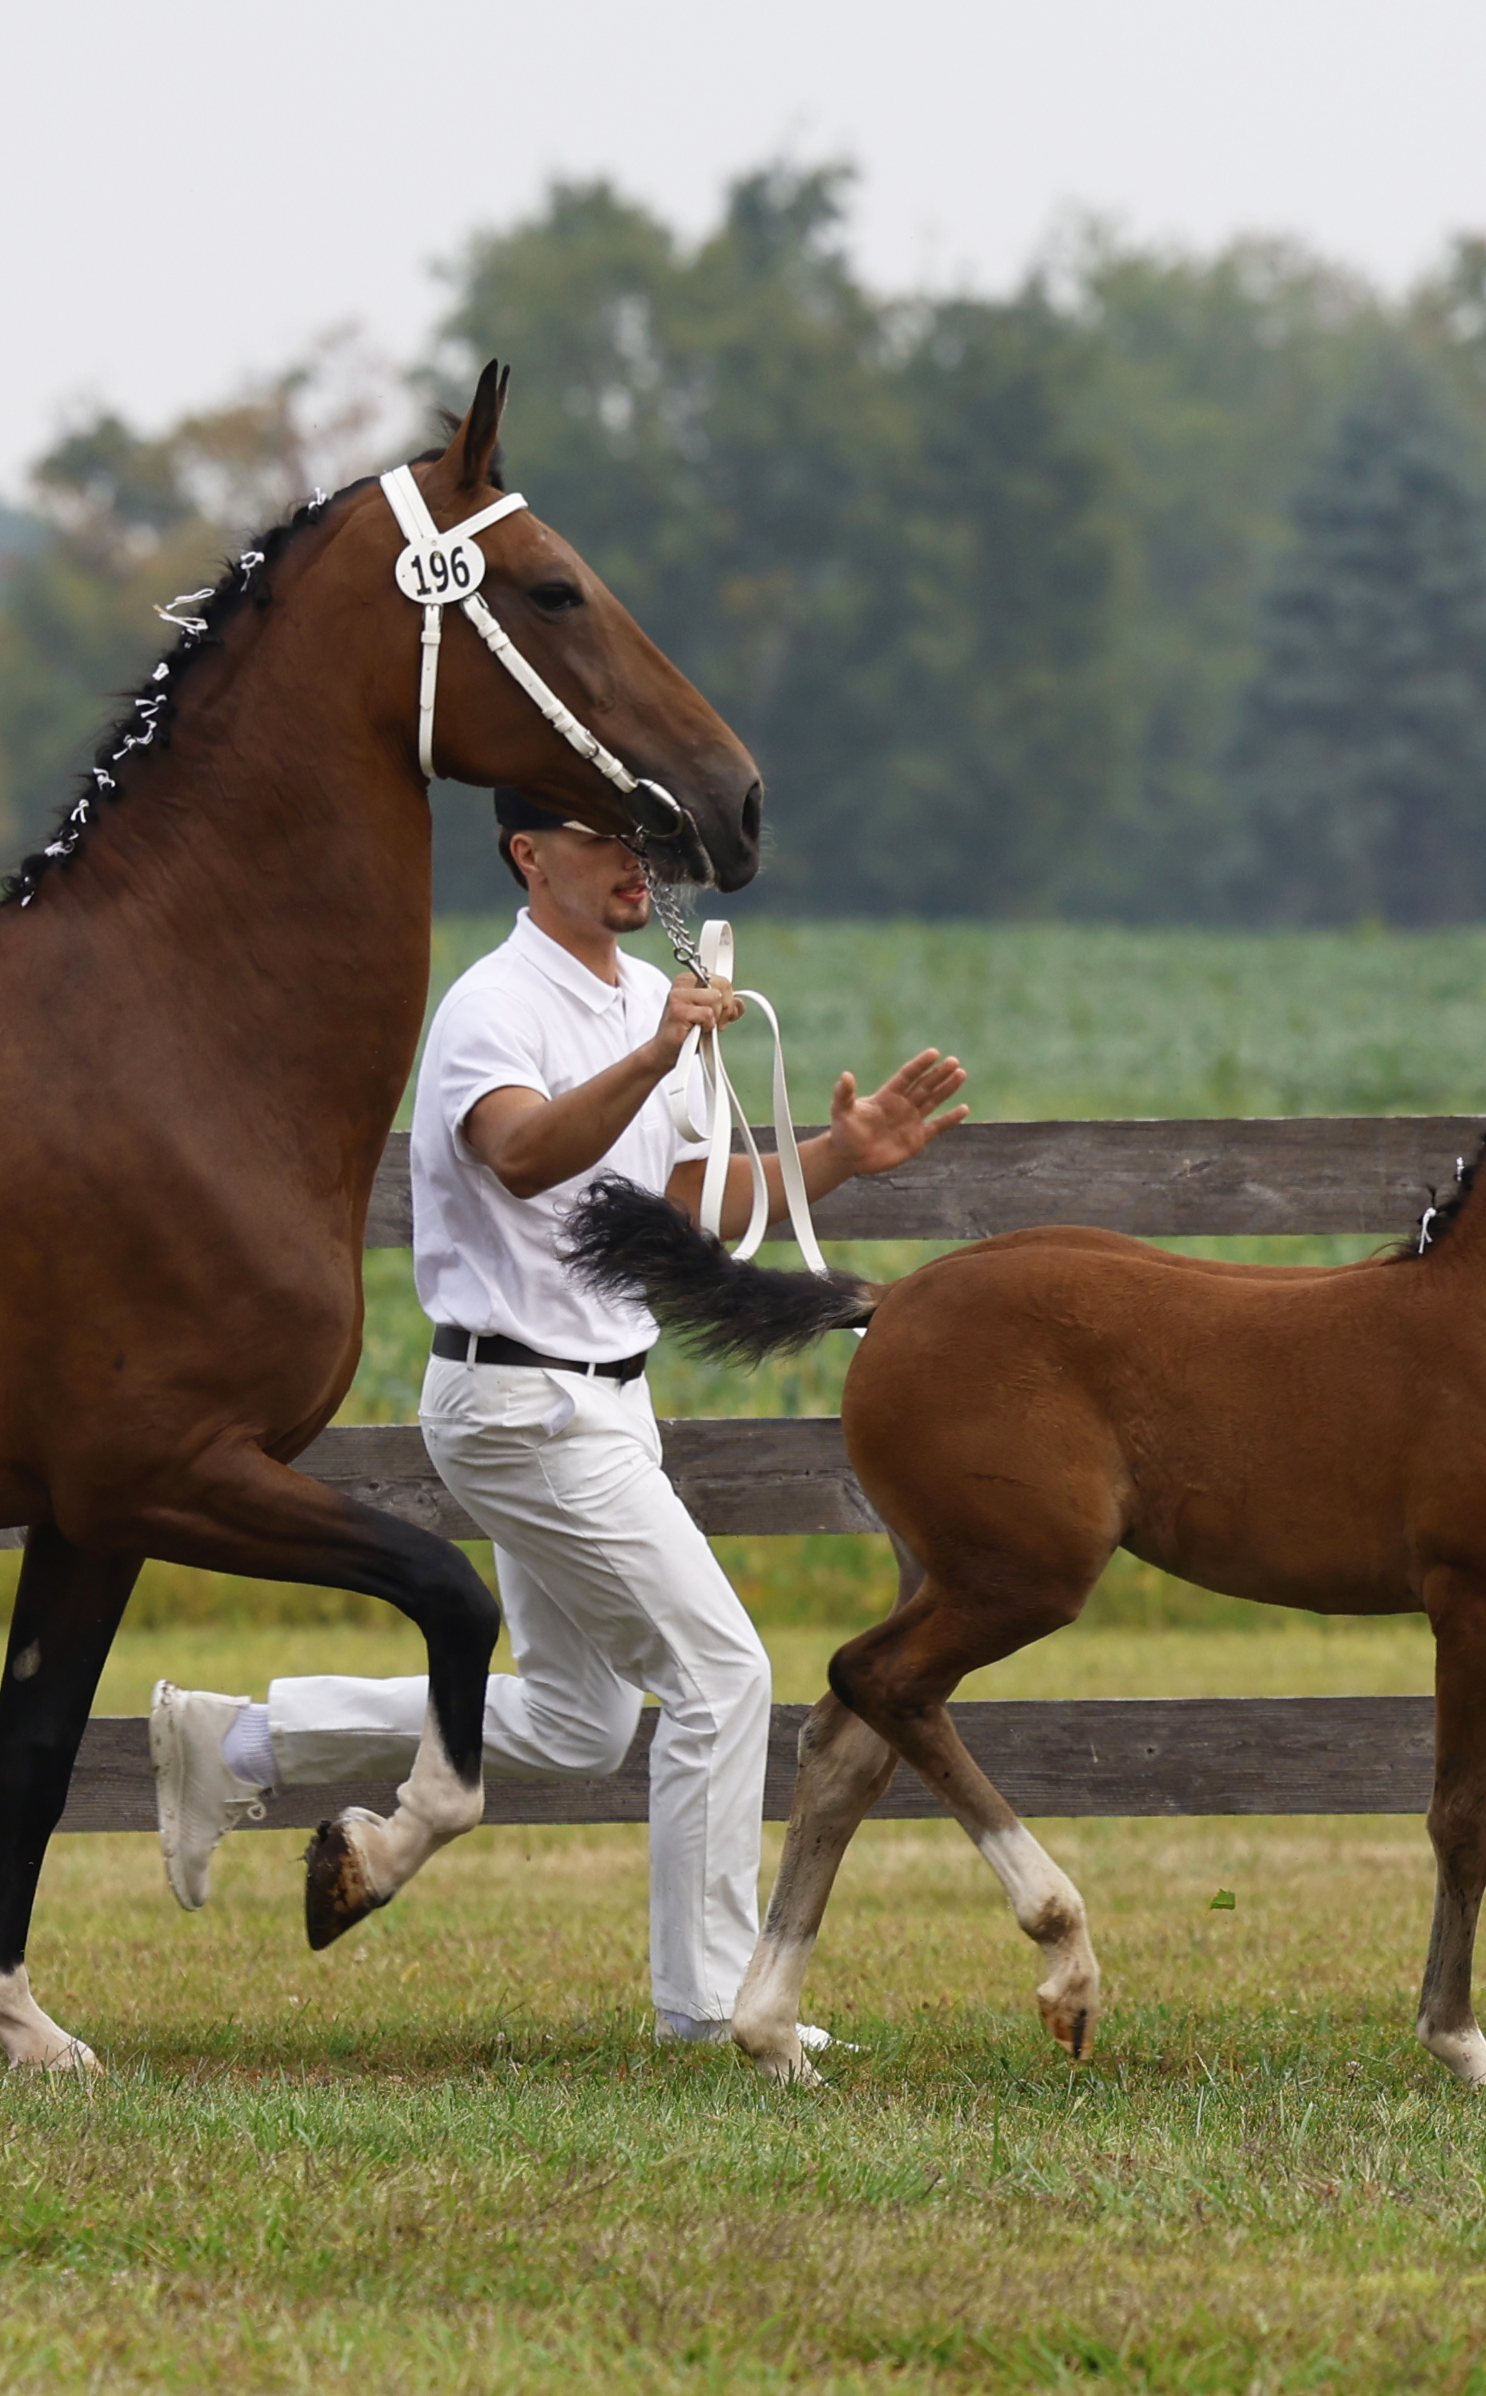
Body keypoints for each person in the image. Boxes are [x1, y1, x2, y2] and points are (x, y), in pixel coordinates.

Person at [149, 785, 967, 2042]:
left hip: (598, 1404)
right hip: (521, 1404)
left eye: (642, 839)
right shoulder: (491, 1007)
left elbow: (685, 1190)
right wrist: (651, 1059)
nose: (635, 861)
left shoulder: (646, 998)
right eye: (601, 837)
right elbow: (521, 1154)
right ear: (529, 855)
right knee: (722, 1676)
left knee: (582, 1719)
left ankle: (243, 1744)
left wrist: (836, 1159)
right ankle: (703, 2008)